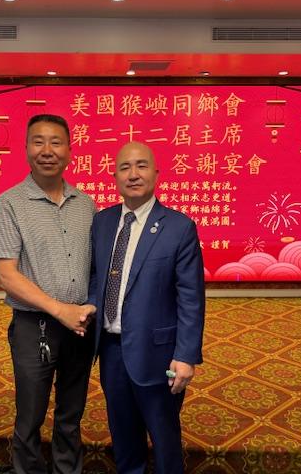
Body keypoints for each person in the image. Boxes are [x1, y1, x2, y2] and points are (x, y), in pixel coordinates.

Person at [0, 114, 96, 474]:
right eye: (38, 141)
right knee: (29, 416)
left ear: (70, 151)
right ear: (26, 148)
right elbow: (6, 274)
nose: (47, 150)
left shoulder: (86, 204)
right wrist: (58, 309)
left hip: (80, 326)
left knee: (71, 413)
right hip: (35, 328)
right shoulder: (8, 203)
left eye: (56, 142)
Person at [89, 141, 205, 474]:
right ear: (114, 176)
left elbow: (191, 298)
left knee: (164, 439)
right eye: (124, 167)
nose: (133, 174)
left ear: (156, 173)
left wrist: (186, 356)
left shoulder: (179, 227)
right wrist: (89, 308)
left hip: (158, 354)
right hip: (111, 351)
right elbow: (96, 277)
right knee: (124, 437)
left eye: (141, 165)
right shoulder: (103, 222)